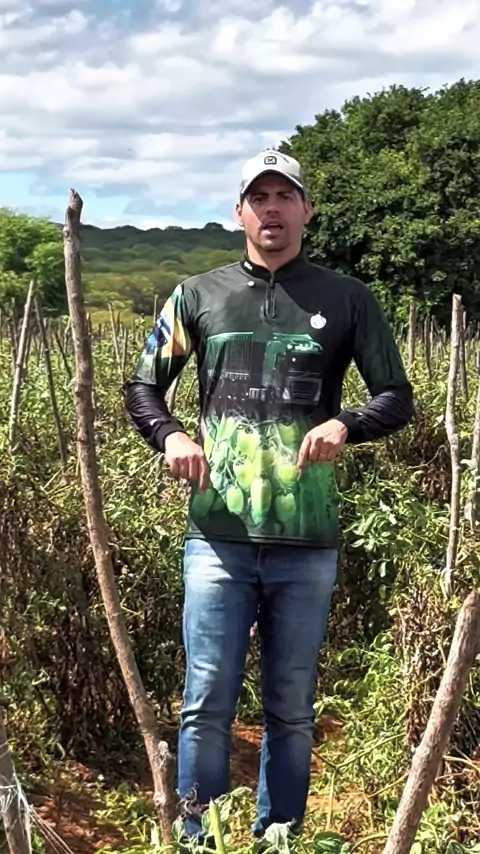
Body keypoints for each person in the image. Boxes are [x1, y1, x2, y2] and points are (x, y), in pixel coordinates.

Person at [124, 149, 413, 841]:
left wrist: (347, 424)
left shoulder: (347, 298)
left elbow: (396, 396)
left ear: (306, 210)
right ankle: (200, 840)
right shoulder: (196, 295)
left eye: (285, 196)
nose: (272, 208)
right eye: (259, 197)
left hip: (306, 542)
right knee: (205, 703)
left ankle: (278, 838)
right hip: (216, 536)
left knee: (291, 708)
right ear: (239, 213)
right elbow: (142, 386)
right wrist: (170, 434)